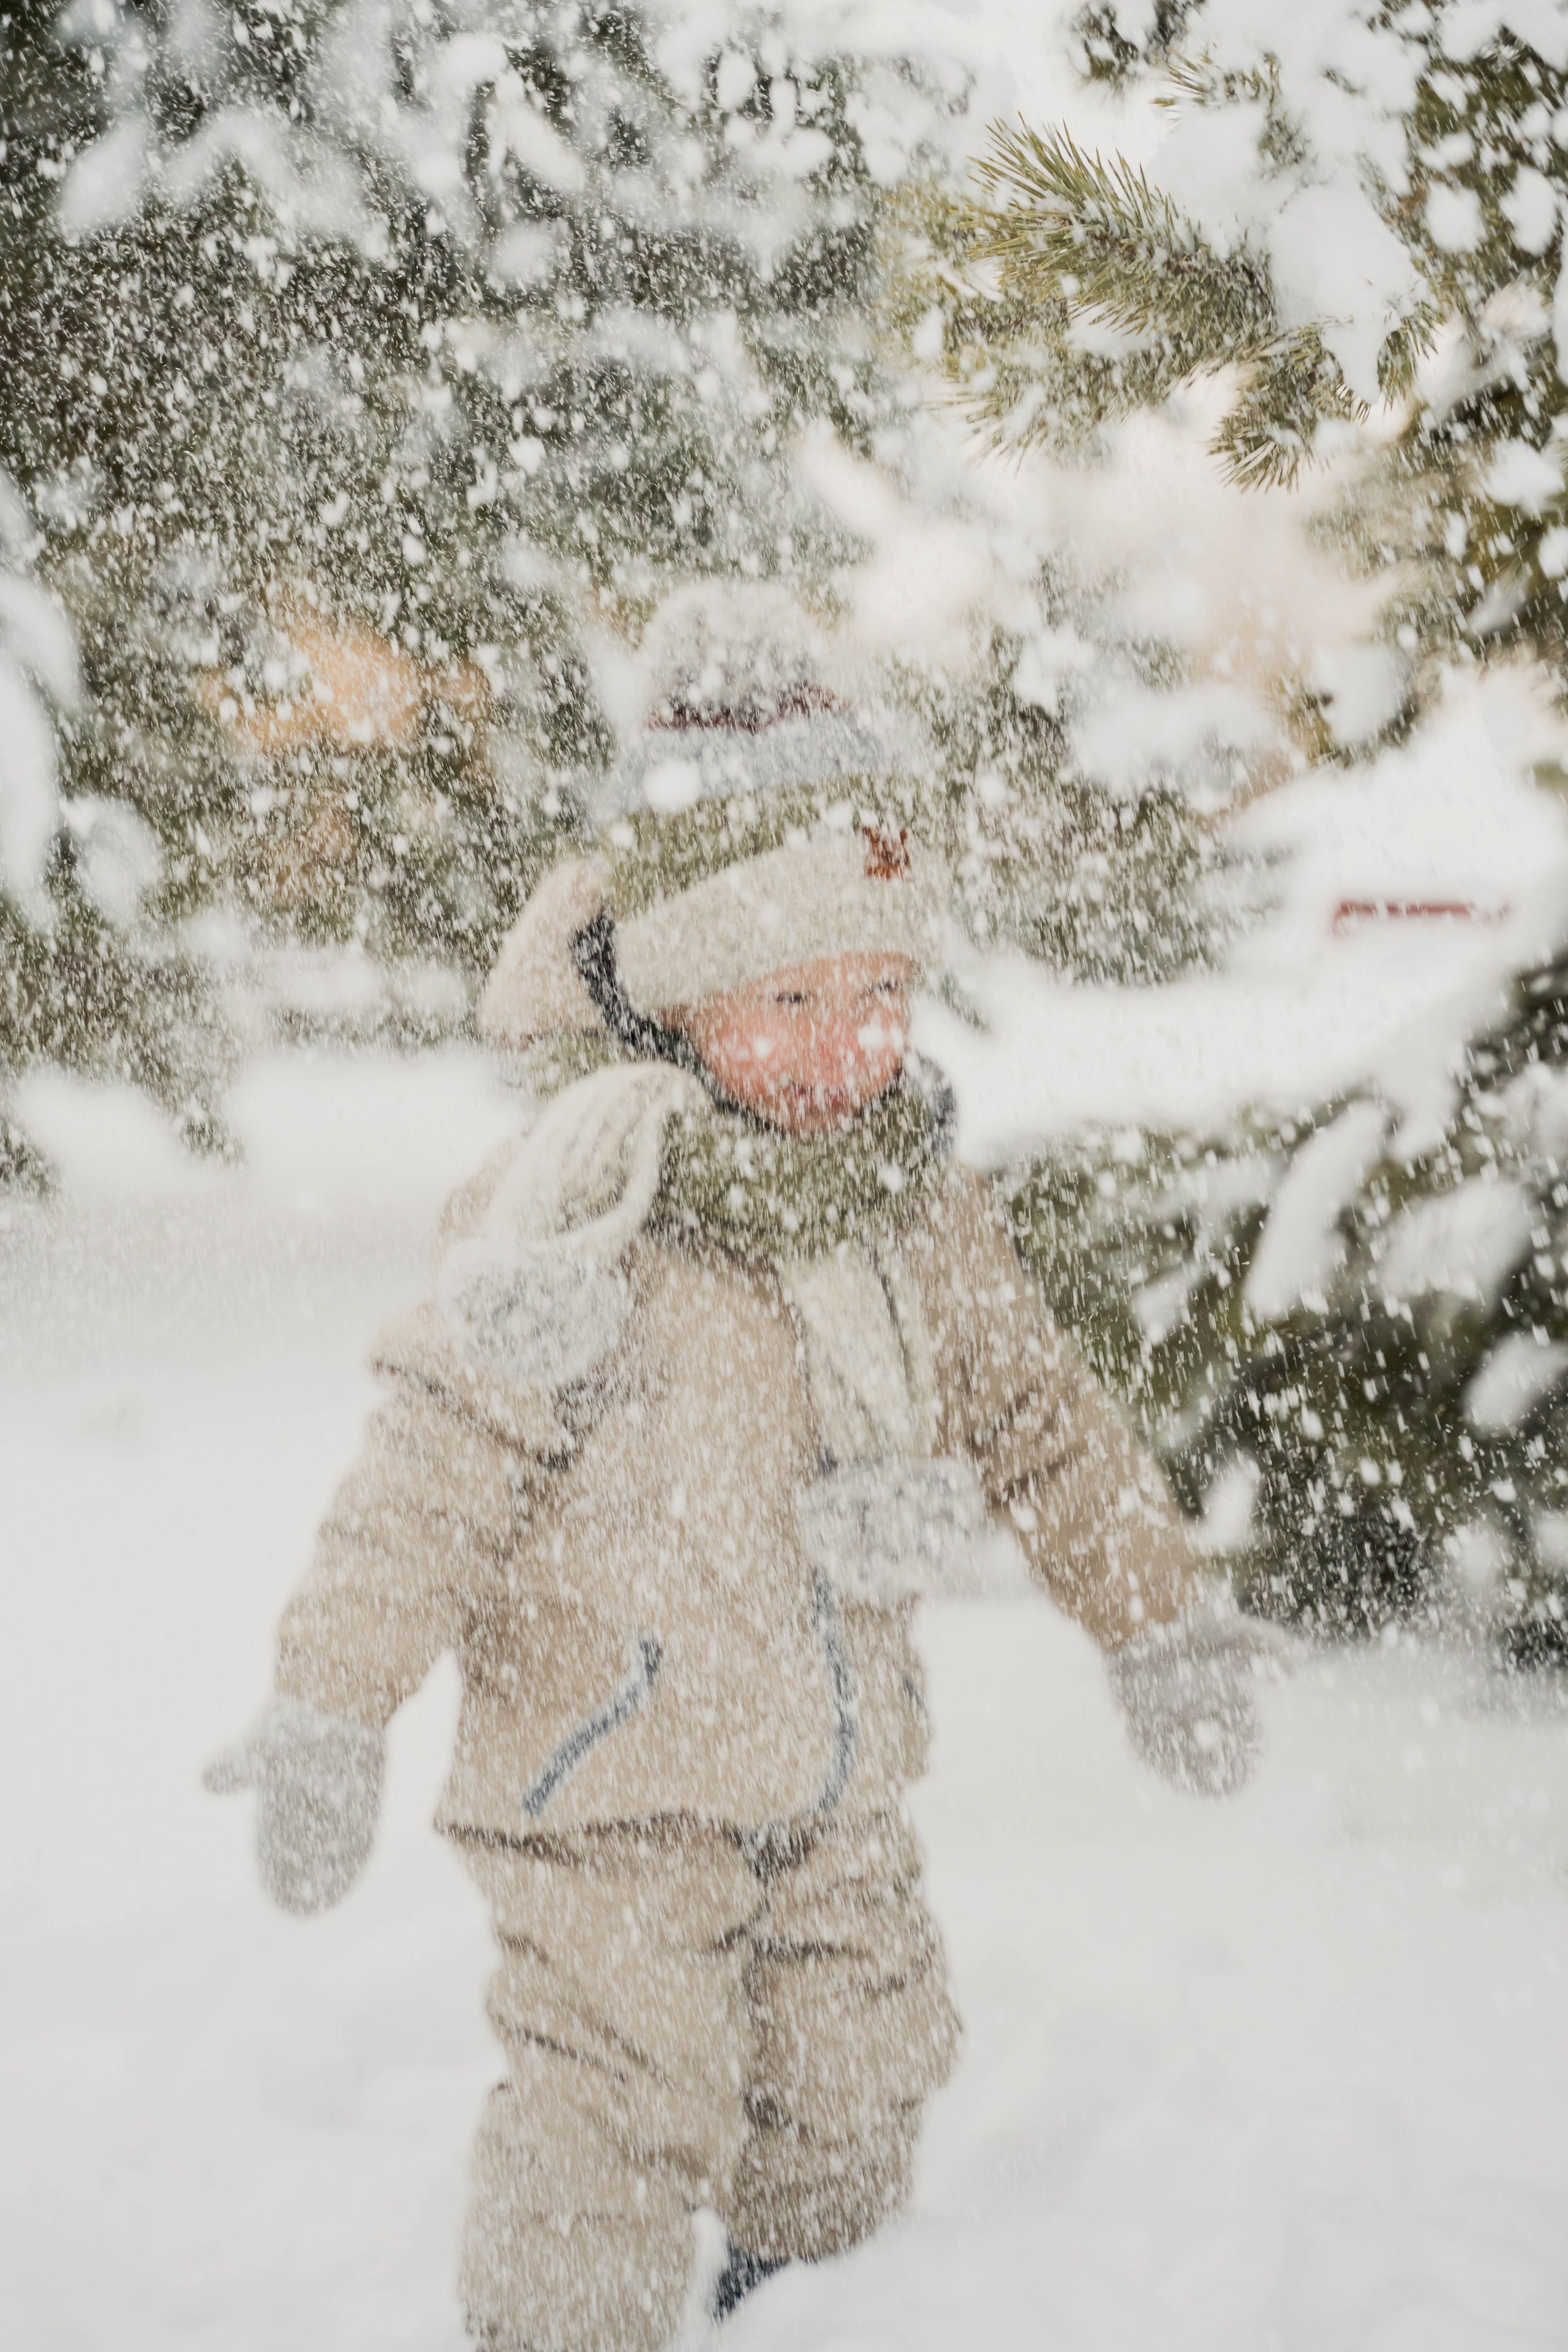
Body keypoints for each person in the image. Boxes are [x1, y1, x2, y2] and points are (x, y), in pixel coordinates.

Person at [206, 587, 1279, 2351]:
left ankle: (824, 2310)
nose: (848, 1045)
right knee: (613, 2106)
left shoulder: (912, 1201)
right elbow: (429, 1470)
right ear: (689, 988)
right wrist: (331, 1705)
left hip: (837, 1780)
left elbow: (1037, 1418)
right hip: (600, 1782)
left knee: (860, 2073)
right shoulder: (571, 1212)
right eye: (793, 996)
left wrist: (1153, 1621)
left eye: (880, 993)